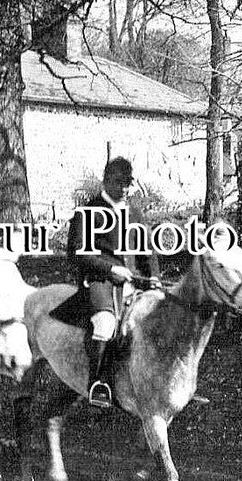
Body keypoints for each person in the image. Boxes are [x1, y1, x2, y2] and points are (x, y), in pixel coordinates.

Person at [67, 156, 160, 408]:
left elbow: (147, 249)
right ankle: (98, 384)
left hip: (133, 283)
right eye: (119, 183)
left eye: (127, 184)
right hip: (99, 282)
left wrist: (153, 277)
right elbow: (77, 252)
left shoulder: (134, 212)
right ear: (105, 181)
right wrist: (110, 269)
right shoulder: (87, 212)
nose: (124, 189)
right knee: (106, 325)